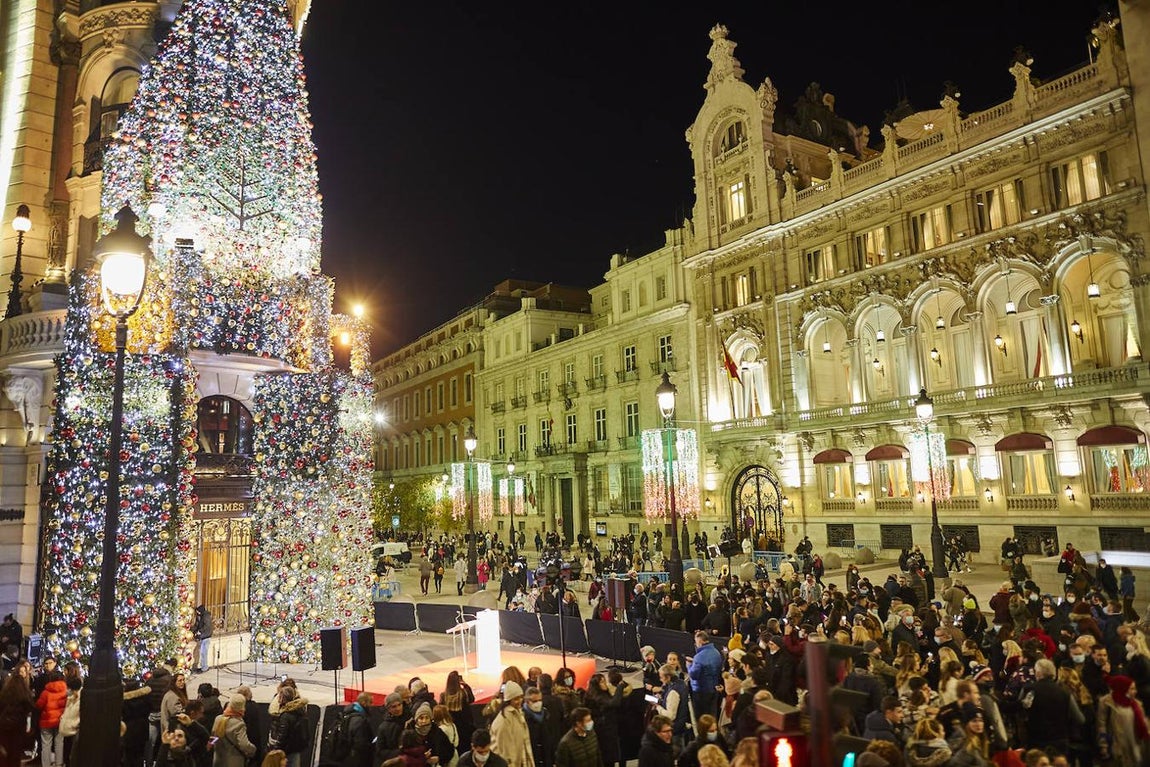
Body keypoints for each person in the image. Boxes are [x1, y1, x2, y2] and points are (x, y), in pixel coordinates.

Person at [1097, 674, 1150, 765]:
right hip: (1116, 749)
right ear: (1122, 688)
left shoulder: (1137, 705)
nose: (1135, 691)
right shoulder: (1106, 703)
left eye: (1135, 688)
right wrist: (1103, 745)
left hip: (1134, 749)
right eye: (1132, 689)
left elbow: (1143, 724)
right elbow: (1101, 725)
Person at [490, 683, 533, 767]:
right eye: (516, 699)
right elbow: (505, 751)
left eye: (521, 697)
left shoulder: (517, 714)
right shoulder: (504, 719)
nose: (520, 700)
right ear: (508, 700)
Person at [266, 685, 309, 767]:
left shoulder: (285, 716)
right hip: (296, 749)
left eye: (279, 696)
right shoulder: (300, 711)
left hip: (286, 752)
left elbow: (282, 735)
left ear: (283, 698)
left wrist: (274, 750)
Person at [210, 694, 257, 767]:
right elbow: (244, 745)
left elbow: (213, 738)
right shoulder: (239, 723)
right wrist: (253, 749)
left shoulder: (218, 719)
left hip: (218, 760)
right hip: (233, 762)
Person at [34, 661, 65, 767]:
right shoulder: (65, 691)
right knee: (59, 744)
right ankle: (59, 763)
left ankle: (46, 764)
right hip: (59, 721)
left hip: (46, 721)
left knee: (46, 745)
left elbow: (38, 705)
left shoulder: (46, 692)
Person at [0, 673, 35, 767]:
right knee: (15, 753)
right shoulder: (24, 697)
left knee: (5, 753)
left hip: (4, 726)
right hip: (19, 728)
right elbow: (30, 709)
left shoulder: (4, 695)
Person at [687, 631, 724, 718]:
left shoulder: (699, 657)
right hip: (714, 690)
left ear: (700, 641)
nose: (695, 644)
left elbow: (693, 675)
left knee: (701, 718)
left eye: (695, 642)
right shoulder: (716, 653)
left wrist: (689, 666)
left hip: (700, 692)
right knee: (711, 716)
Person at [342, 691, 376, 767]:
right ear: (364, 703)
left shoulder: (350, 714)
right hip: (359, 760)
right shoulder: (359, 720)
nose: (372, 705)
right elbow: (360, 744)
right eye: (370, 702)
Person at [57, 676, 80, 767]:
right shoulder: (70, 698)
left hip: (74, 732)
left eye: (68, 688)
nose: (67, 690)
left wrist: (75, 724)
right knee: (66, 756)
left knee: (72, 757)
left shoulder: (82, 699)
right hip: (67, 731)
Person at [162, 671, 189, 735]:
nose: (183, 682)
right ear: (174, 682)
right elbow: (177, 714)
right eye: (180, 681)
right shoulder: (173, 696)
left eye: (183, 680)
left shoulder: (175, 693)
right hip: (173, 730)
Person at [193, 605, 213, 673]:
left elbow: (206, 626)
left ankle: (204, 667)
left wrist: (200, 631)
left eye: (198, 611)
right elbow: (197, 625)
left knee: (204, 653)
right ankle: (203, 666)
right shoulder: (200, 616)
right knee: (202, 652)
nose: (197, 613)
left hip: (206, 637)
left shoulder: (206, 616)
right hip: (203, 636)